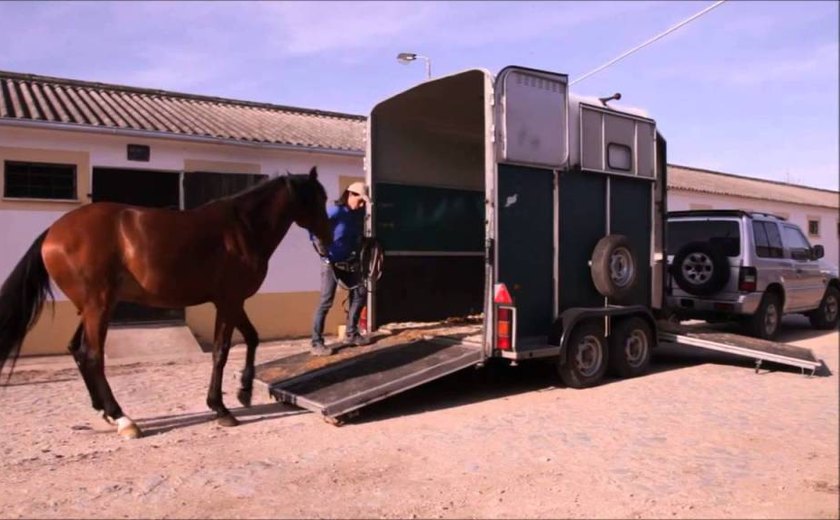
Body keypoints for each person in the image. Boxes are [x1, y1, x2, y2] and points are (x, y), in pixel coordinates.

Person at [310, 181, 372, 356]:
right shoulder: (334, 212)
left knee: (360, 293)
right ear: (350, 195)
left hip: (349, 261)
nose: (361, 205)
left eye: (363, 203)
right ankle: (316, 343)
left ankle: (351, 334)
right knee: (326, 301)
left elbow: (356, 234)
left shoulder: (358, 214)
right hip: (331, 263)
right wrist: (322, 252)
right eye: (360, 201)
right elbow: (314, 231)